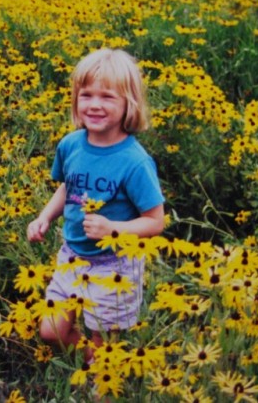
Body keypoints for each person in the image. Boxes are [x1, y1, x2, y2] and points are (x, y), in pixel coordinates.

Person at [27, 47, 166, 360]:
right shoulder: (71, 144)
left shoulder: (135, 162)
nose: (94, 105)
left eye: (107, 97)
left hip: (114, 266)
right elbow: (68, 188)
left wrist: (113, 229)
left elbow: (155, 221)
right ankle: (97, 362)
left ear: (128, 103)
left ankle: (102, 380)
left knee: (102, 337)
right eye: (86, 95)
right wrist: (44, 217)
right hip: (72, 256)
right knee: (51, 331)